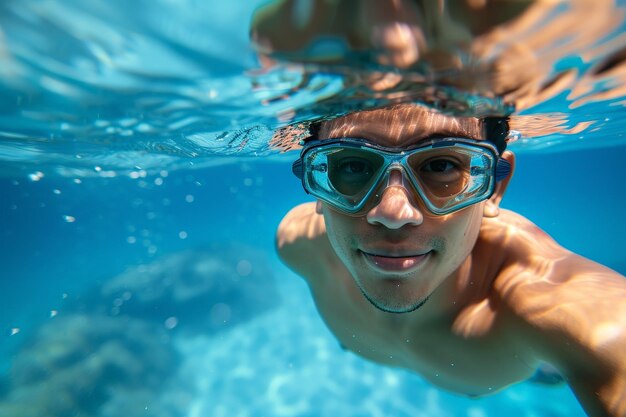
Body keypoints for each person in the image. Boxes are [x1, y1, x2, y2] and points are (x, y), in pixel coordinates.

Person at [275, 103, 626, 417]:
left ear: (494, 188)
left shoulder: (549, 306)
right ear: (315, 183)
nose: (394, 213)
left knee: (551, 371)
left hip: (532, 363)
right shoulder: (297, 244)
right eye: (352, 165)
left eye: (441, 165)